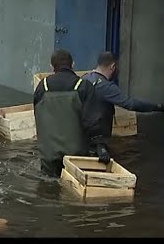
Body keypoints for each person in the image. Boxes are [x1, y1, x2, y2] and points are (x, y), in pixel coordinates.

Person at [33, 49, 110, 178]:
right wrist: (101, 145)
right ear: (72, 65)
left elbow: (38, 117)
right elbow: (93, 121)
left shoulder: (42, 86)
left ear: (52, 67)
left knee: (48, 187)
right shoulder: (84, 86)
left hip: (48, 156)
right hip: (76, 157)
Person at [83, 51, 164, 139]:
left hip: (82, 134)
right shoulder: (105, 86)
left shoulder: (85, 78)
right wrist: (156, 107)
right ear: (113, 67)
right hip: (97, 137)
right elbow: (130, 104)